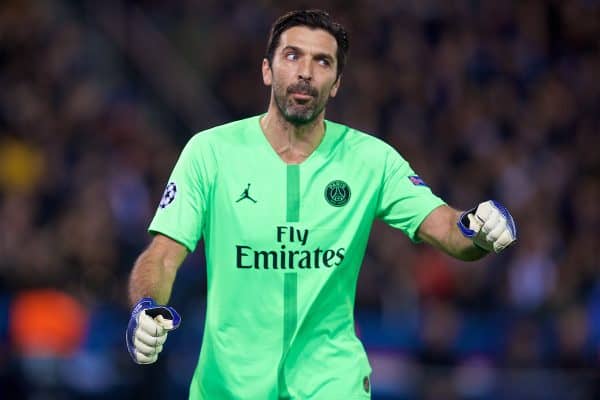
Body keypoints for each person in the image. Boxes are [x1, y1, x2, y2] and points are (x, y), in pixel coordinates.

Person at [125, 9, 516, 400]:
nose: (306, 72)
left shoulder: (370, 160)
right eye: (293, 56)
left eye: (322, 61)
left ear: (335, 85)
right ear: (267, 70)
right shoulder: (210, 153)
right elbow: (162, 256)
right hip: (227, 388)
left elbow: (448, 228)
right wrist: (146, 307)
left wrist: (478, 227)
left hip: (332, 385)